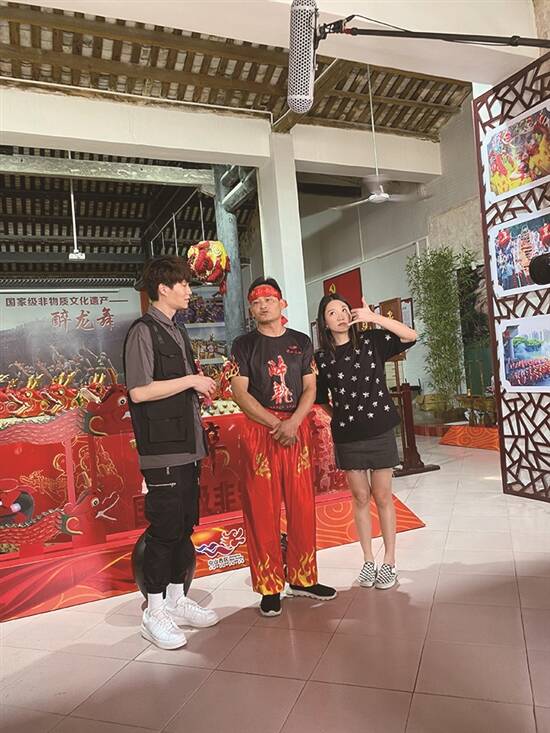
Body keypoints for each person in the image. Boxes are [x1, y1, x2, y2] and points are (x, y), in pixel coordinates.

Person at [124, 255, 219, 650]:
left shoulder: (177, 331)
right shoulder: (142, 332)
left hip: (188, 446)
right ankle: (154, 611)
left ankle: (178, 600)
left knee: (183, 526)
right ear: (163, 288)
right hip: (162, 451)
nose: (189, 291)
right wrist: (191, 380)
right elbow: (139, 391)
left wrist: (197, 390)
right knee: (164, 531)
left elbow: (178, 387)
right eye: (183, 284)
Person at [229, 277, 336, 617]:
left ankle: (304, 579)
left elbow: (310, 388)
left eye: (269, 299)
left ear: (282, 303)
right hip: (261, 431)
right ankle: (269, 586)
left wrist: (293, 422)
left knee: (302, 505)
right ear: (251, 309)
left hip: (296, 428)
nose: (263, 305)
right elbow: (240, 393)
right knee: (263, 510)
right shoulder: (243, 345)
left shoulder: (300, 342)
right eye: (256, 301)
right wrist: (276, 424)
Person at [315, 293, 417, 590]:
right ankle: (368, 560)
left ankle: (390, 561)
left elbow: (411, 336)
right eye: (332, 312)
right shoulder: (321, 358)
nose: (340, 315)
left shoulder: (371, 341)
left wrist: (374, 317)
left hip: (380, 430)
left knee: (383, 495)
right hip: (348, 436)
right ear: (324, 322)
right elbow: (320, 399)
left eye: (344, 309)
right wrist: (341, 416)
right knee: (360, 497)